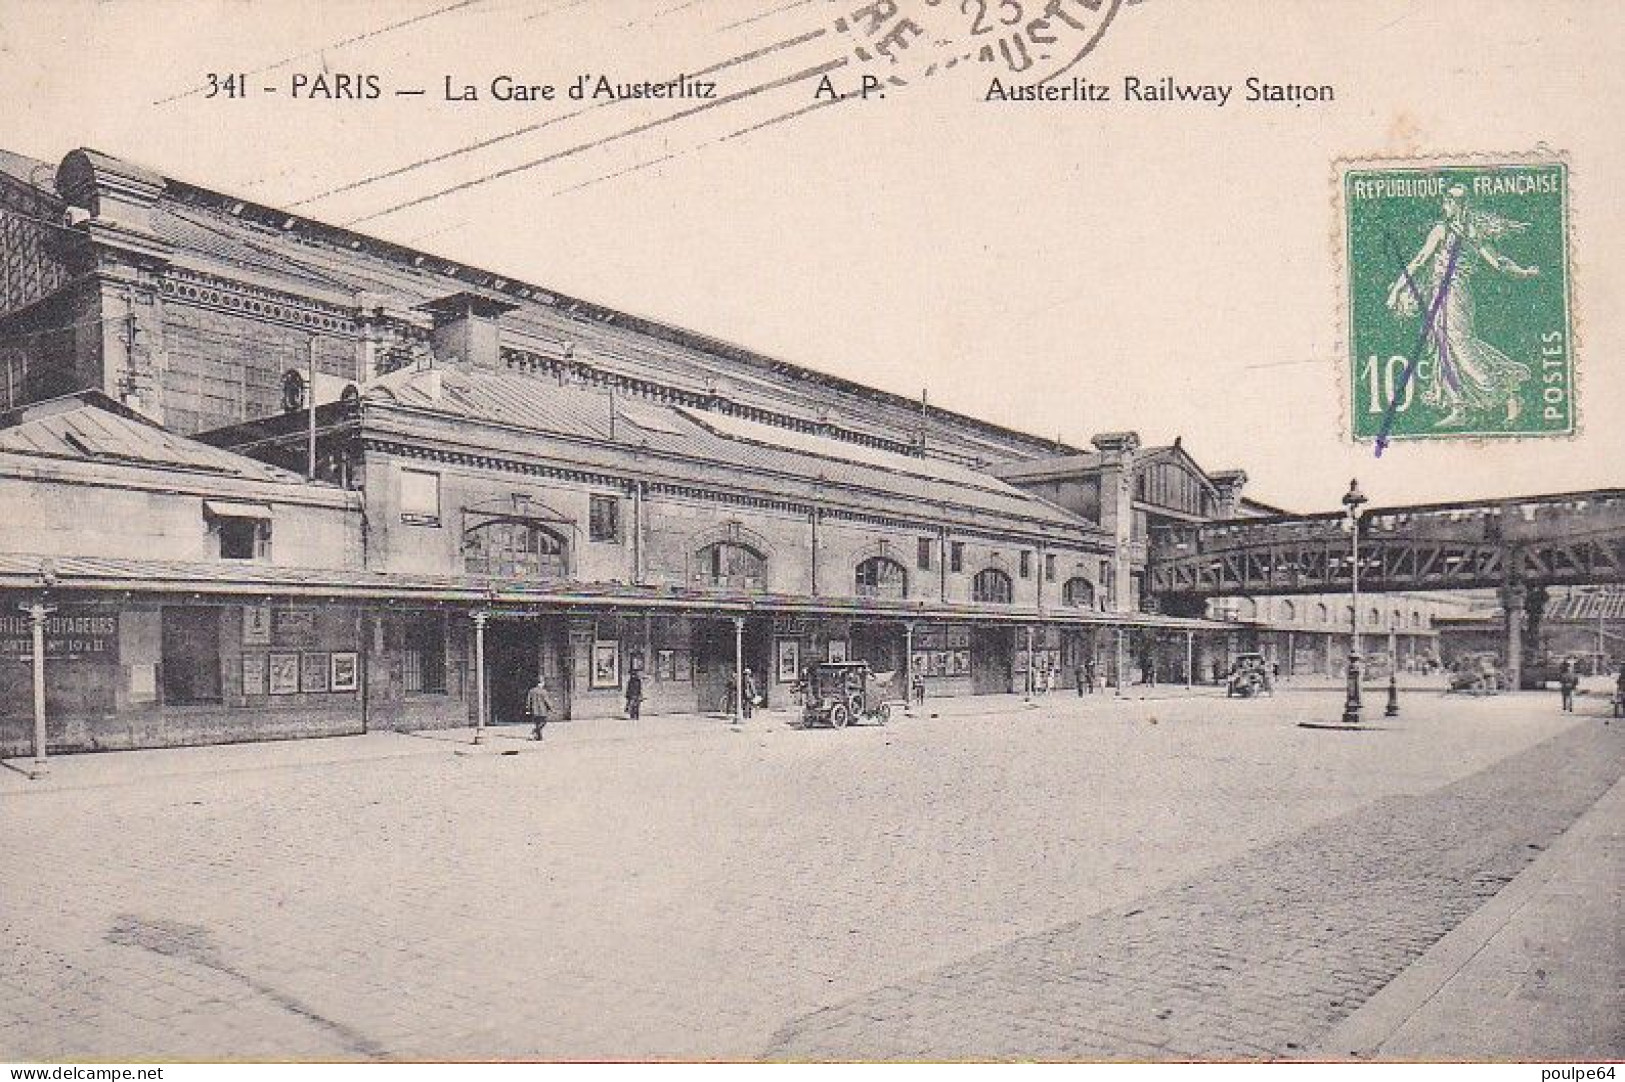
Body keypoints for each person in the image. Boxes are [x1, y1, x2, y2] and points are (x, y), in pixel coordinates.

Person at [1386, 184, 1539, 428]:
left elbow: (1418, 261)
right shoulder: (1470, 232)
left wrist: (1396, 290)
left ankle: (1509, 395)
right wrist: (1523, 272)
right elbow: (1499, 262)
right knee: (1444, 346)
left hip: (1454, 294)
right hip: (1443, 293)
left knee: (1461, 346)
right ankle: (1459, 407)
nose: (1444, 207)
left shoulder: (1447, 231)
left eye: (1447, 202)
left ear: (1455, 205)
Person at [524, 674, 555, 741]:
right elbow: (547, 701)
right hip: (542, 710)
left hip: (534, 710)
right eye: (543, 682)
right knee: (543, 722)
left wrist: (528, 709)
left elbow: (528, 701)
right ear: (542, 683)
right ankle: (533, 732)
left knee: (537, 723)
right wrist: (552, 709)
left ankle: (539, 737)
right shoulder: (543, 691)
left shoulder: (531, 691)